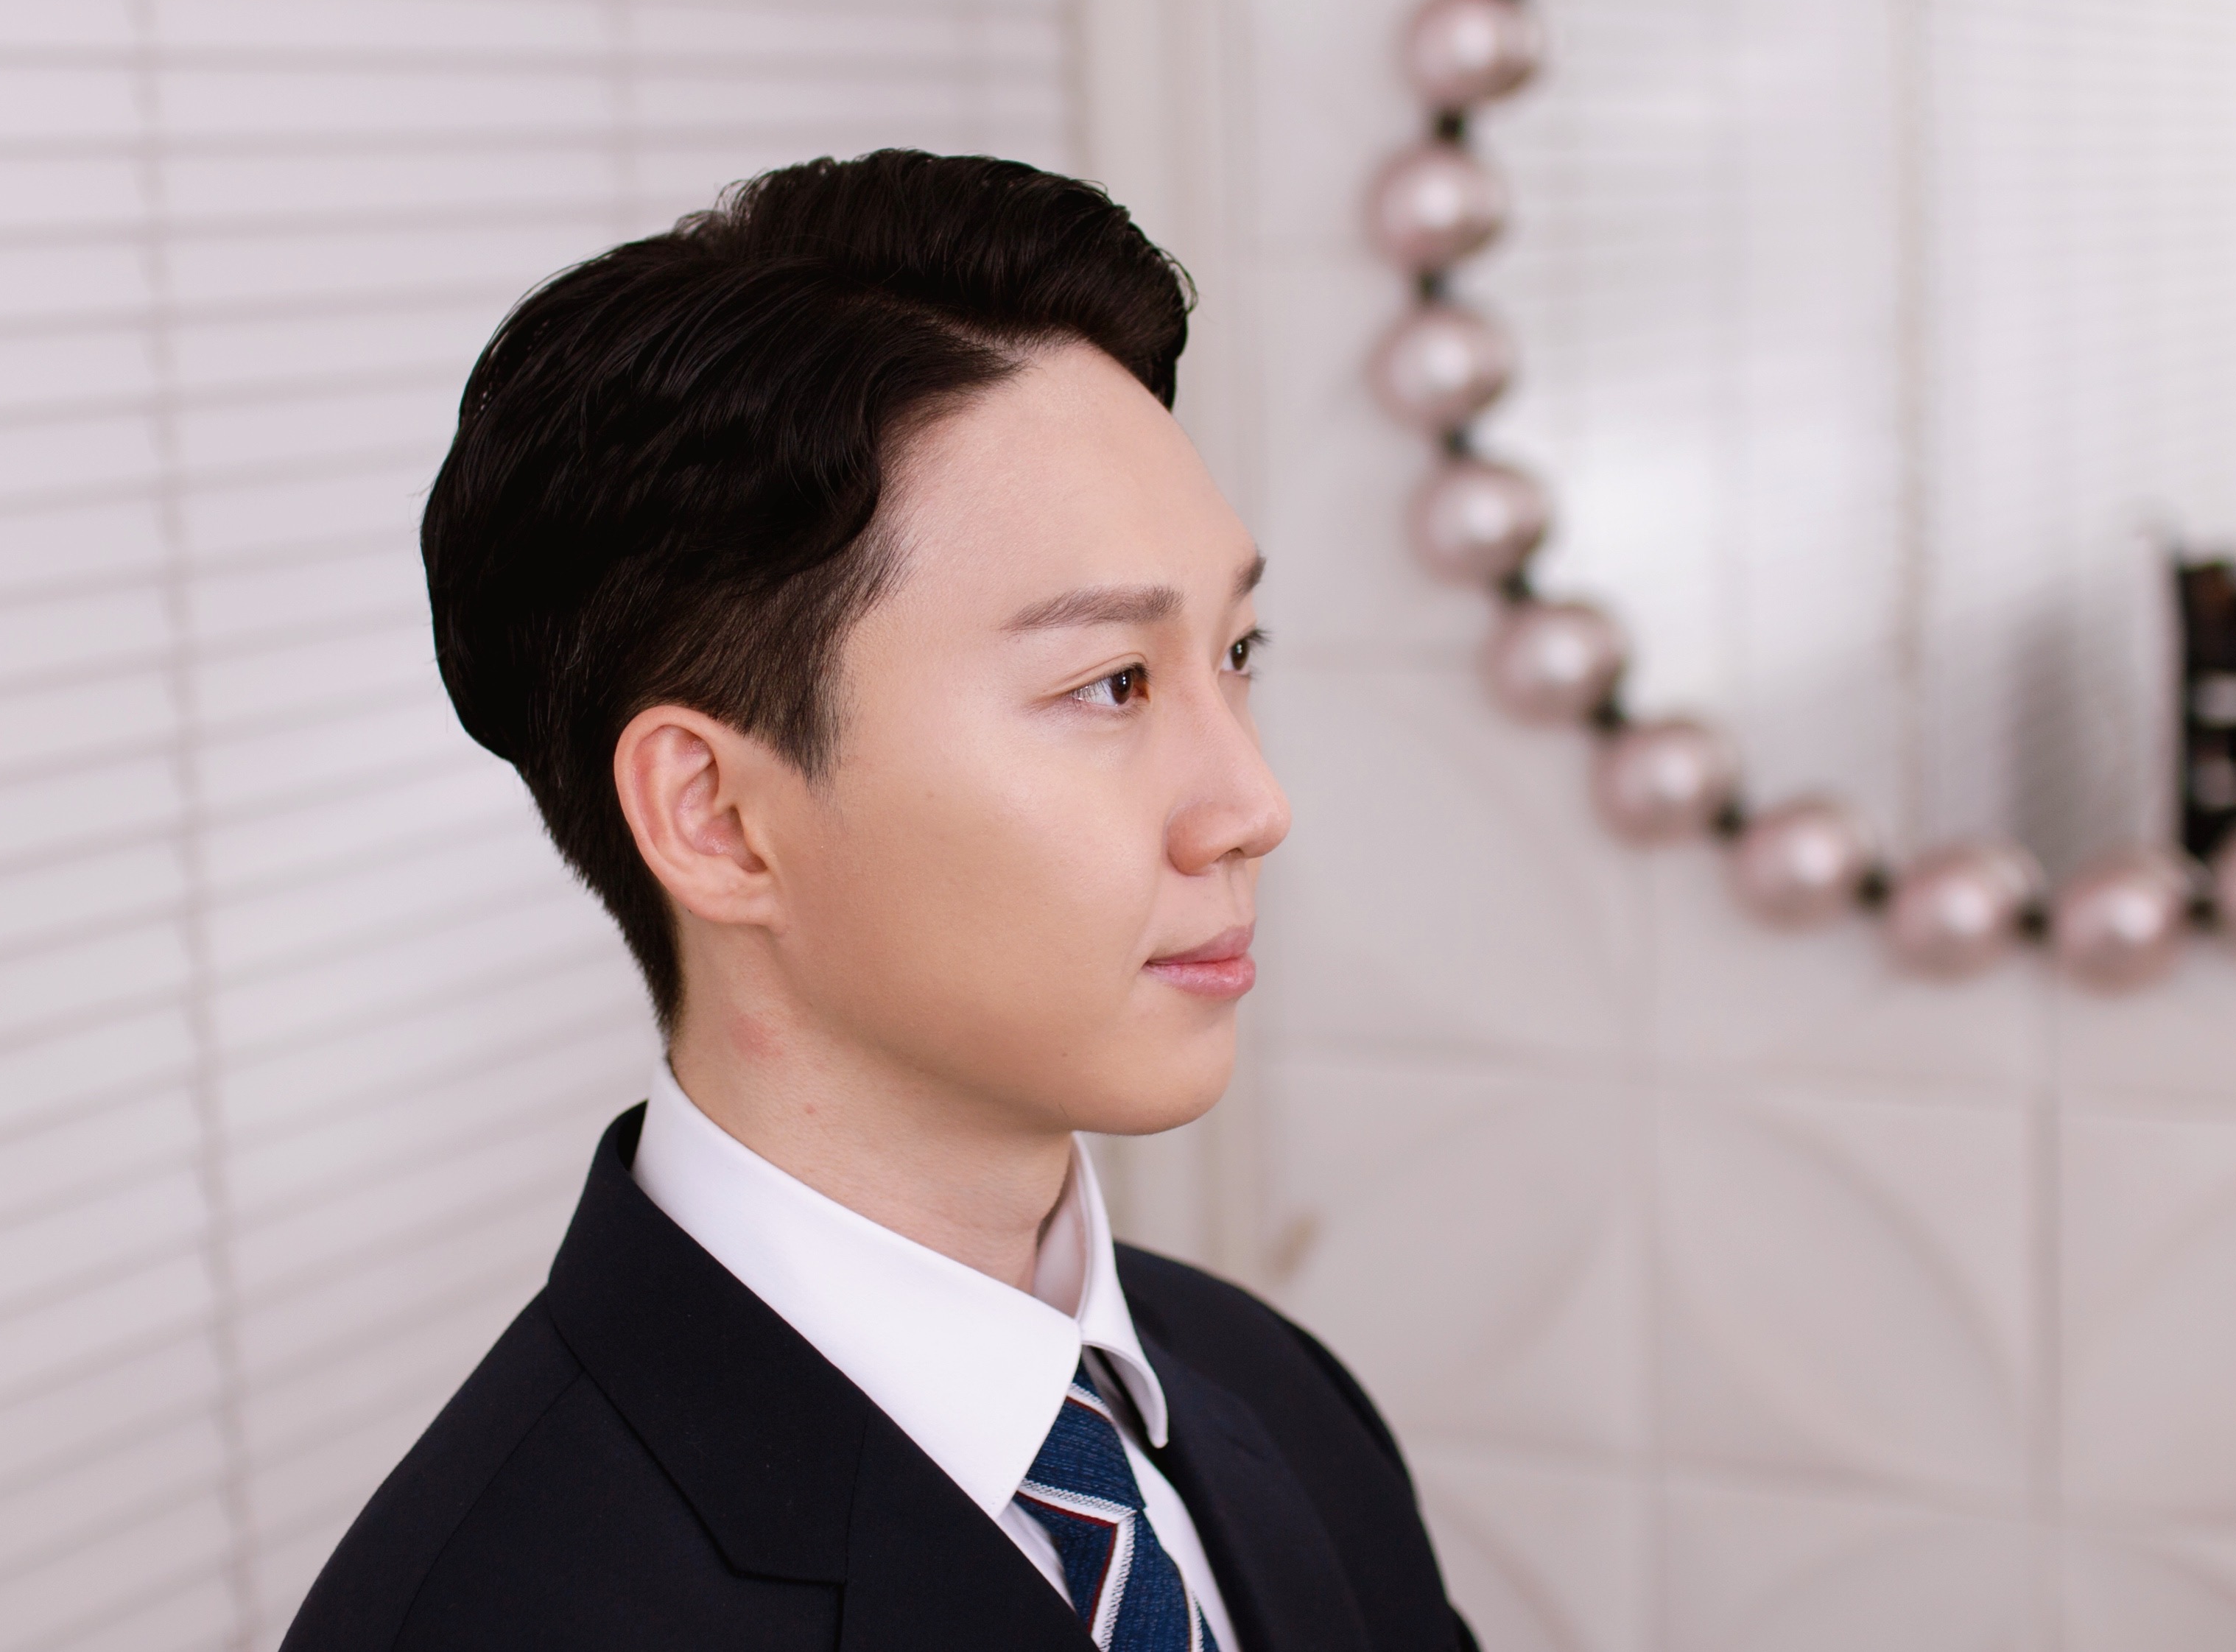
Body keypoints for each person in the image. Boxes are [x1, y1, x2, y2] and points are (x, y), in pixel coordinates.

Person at [283, 152, 1482, 1651]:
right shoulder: (498, 1618)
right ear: (718, 820)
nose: (1251, 804)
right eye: (1111, 683)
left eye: (1234, 654)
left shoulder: (1272, 1395)